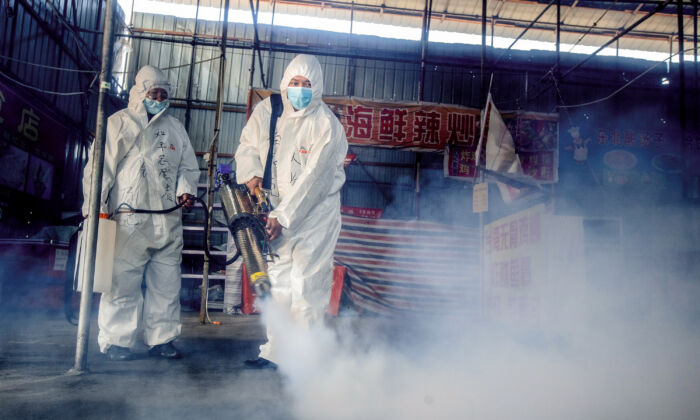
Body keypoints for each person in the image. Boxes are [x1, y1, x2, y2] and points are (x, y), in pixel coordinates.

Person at [235, 54, 348, 369]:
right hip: (275, 212)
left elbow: (315, 180)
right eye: (295, 83)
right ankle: (276, 352)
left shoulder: (326, 125)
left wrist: (283, 217)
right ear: (285, 83)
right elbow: (247, 146)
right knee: (280, 284)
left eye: (307, 84)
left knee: (307, 286)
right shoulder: (269, 110)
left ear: (318, 87)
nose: (300, 90)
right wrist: (251, 173)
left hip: (314, 218)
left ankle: (304, 358)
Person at [82, 65, 200, 361]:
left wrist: (186, 189)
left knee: (166, 283)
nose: (158, 98)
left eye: (163, 93)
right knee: (122, 282)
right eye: (153, 92)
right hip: (127, 219)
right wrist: (95, 208)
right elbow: (100, 169)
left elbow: (188, 166)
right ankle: (117, 341)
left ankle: (162, 338)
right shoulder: (118, 123)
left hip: (167, 219)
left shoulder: (175, 129)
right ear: (139, 92)